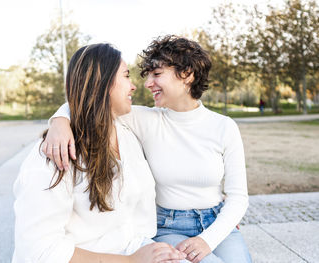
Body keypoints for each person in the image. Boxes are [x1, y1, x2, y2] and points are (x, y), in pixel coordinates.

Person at [43, 36, 252, 263]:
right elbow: (93, 100)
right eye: (148, 75)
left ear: (187, 75)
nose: (147, 83)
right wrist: (60, 121)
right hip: (169, 227)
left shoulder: (224, 127)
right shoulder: (144, 119)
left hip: (218, 223)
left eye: (157, 74)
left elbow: (238, 197)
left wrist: (208, 240)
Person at [13, 43, 187, 263]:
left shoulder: (127, 131)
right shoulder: (54, 155)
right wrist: (132, 261)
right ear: (102, 83)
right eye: (126, 76)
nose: (134, 86)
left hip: (138, 246)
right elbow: (39, 251)